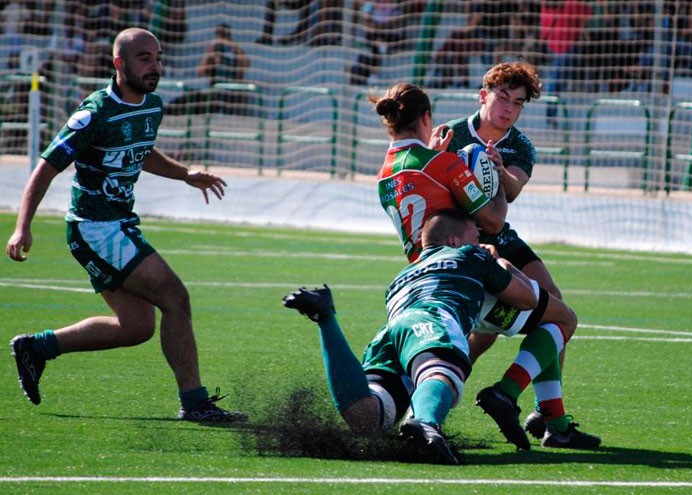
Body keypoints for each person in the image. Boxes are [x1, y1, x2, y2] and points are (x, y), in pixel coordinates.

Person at [6, 27, 246, 423]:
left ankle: (38, 347)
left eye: (158, 57)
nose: (155, 66)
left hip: (119, 225)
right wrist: (22, 227)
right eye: (144, 59)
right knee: (176, 298)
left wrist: (185, 174)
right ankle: (195, 402)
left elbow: (143, 152)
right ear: (119, 64)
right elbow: (45, 168)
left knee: (136, 327)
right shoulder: (95, 112)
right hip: (94, 227)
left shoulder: (151, 105)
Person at [282, 209, 539, 465]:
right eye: (475, 237)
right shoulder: (470, 254)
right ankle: (425, 422)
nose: (481, 243)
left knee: (367, 417)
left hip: (391, 332)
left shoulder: (401, 276)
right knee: (440, 374)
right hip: (433, 318)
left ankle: (326, 318)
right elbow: (528, 299)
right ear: (453, 241)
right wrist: (501, 263)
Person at [443, 61, 600, 449]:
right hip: (460, 238)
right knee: (477, 338)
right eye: (502, 98)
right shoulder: (450, 134)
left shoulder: (519, 145)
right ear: (483, 96)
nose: (509, 108)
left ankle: (549, 417)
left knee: (556, 308)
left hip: (501, 236)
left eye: (518, 102)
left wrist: (499, 169)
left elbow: (511, 191)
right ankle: (432, 405)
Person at [373, 82, 508, 262]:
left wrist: (432, 154)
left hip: (418, 271)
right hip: (456, 268)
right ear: (426, 117)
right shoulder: (443, 163)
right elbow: (494, 222)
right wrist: (495, 171)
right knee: (527, 281)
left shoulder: (382, 177)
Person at [430, 0, 519, 89]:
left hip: (489, 41)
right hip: (486, 39)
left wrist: (458, 30)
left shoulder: (499, 5)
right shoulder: (482, 5)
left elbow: (471, 25)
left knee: (456, 41)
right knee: (457, 44)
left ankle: (444, 69)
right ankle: (455, 78)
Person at [540, 0, 592, 125]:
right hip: (565, 45)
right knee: (558, 81)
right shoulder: (573, 3)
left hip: (555, 43)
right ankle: (551, 114)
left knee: (559, 80)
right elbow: (586, 17)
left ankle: (551, 112)